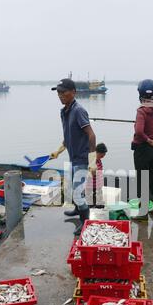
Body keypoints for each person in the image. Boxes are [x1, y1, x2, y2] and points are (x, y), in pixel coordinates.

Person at [50, 78, 97, 235]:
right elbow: (69, 135)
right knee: (73, 189)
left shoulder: (78, 110)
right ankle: (77, 210)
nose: (60, 95)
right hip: (73, 157)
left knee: (78, 193)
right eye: (58, 92)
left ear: (73, 92)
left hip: (82, 159)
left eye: (63, 92)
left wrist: (92, 161)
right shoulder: (64, 111)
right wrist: (59, 150)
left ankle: (85, 223)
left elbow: (91, 135)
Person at [131, 79, 153, 221]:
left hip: (143, 149)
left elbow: (139, 131)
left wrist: (147, 140)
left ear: (140, 93)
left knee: (143, 178)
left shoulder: (142, 111)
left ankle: (143, 212)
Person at [86, 143, 108, 208]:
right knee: (90, 202)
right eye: (102, 154)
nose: (103, 156)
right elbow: (90, 172)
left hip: (98, 185)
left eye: (104, 154)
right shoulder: (92, 160)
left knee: (99, 201)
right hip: (90, 185)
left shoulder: (99, 160)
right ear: (97, 152)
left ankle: (98, 204)